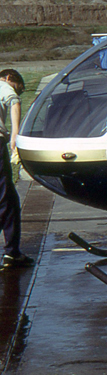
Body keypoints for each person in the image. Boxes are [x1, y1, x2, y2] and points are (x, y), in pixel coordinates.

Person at [0, 69, 31, 269]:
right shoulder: (2, 84)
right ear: (10, 78)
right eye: (18, 88)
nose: (17, 93)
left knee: (10, 198)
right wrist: (15, 135)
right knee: (3, 197)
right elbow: (14, 101)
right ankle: (11, 252)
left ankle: (12, 252)